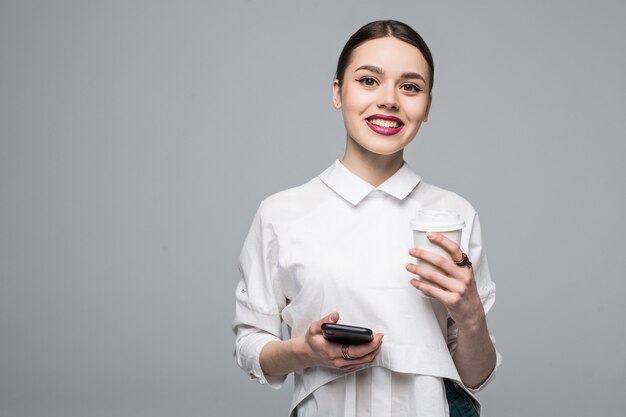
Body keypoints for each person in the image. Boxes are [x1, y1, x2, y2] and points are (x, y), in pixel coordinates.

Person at [232, 20, 501, 417]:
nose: (390, 100)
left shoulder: (454, 216)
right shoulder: (282, 213)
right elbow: (251, 345)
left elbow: (475, 376)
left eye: (410, 87)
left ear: (426, 106)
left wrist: (472, 317)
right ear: (338, 93)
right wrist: (302, 351)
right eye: (369, 80)